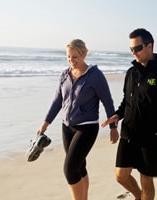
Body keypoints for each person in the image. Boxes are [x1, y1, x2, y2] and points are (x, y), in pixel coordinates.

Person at [101, 28, 157, 200]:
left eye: (137, 48)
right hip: (129, 133)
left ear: (149, 46)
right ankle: (139, 197)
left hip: (152, 137)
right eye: (131, 49)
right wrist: (117, 115)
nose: (134, 53)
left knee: (146, 180)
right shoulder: (131, 73)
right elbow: (126, 101)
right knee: (120, 175)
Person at [36, 39, 119, 200]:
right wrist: (45, 124)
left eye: (75, 57)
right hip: (67, 127)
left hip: (87, 127)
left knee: (69, 168)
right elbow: (57, 101)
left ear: (84, 54)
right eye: (68, 57)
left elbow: (107, 101)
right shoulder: (64, 75)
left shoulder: (95, 75)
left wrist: (113, 127)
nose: (71, 61)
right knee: (79, 166)